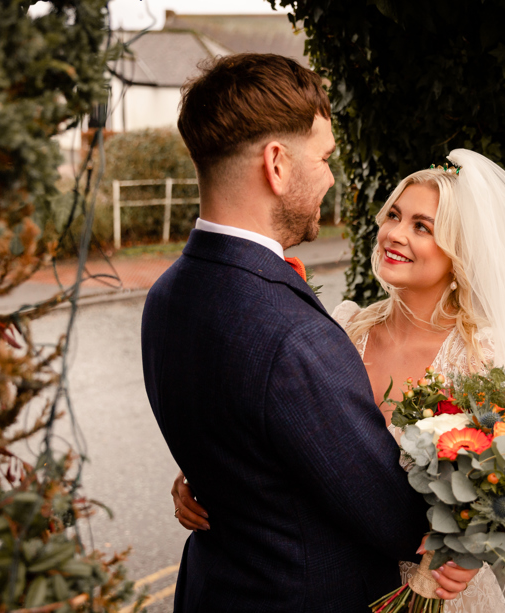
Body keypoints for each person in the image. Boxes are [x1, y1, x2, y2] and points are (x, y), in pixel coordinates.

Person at [173, 149, 505, 613]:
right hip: (340, 585)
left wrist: (475, 550)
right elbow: (281, 433)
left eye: (421, 226)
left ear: (459, 252)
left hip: (443, 597)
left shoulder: (489, 360)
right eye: (393, 216)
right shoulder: (342, 331)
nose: (395, 234)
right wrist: (207, 473)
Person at [141, 53, 477, 613]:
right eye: (323, 158)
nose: (330, 176)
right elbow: (393, 520)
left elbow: (238, 438)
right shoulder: (296, 337)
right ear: (276, 164)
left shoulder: (167, 294)